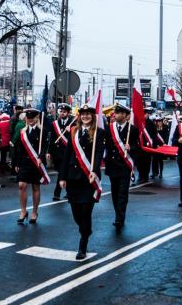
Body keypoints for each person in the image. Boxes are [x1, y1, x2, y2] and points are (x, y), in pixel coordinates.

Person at [59, 103, 105, 260]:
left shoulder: (99, 133)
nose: (85, 116)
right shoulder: (73, 132)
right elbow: (67, 156)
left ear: (92, 116)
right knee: (76, 214)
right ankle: (86, 230)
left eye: (88, 114)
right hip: (73, 178)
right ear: (79, 116)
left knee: (86, 211)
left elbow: (98, 154)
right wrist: (62, 177)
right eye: (83, 114)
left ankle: (82, 244)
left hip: (88, 179)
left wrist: (94, 170)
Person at [104, 104, 138, 232]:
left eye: (118, 113)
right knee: (114, 192)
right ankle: (117, 213)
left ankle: (120, 217)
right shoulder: (109, 128)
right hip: (112, 165)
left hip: (124, 165)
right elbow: (106, 145)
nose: (116, 115)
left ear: (125, 115)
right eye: (115, 113)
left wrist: (131, 148)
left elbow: (137, 148)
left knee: (123, 193)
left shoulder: (132, 130)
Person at [14, 108, 48, 224]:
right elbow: (19, 149)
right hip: (24, 162)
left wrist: (41, 157)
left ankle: (34, 211)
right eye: (28, 118)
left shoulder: (42, 131)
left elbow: (44, 146)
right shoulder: (23, 132)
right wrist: (17, 163)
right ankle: (23, 211)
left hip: (37, 162)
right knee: (21, 185)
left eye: (32, 118)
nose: (30, 120)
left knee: (35, 187)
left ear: (37, 118)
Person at [47, 103, 73, 201]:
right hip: (57, 152)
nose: (62, 113)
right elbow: (52, 138)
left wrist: (71, 131)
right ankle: (69, 192)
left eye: (64, 112)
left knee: (63, 172)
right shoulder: (55, 123)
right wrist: (49, 151)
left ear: (68, 113)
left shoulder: (73, 123)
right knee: (62, 172)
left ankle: (57, 193)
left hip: (69, 152)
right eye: (60, 111)